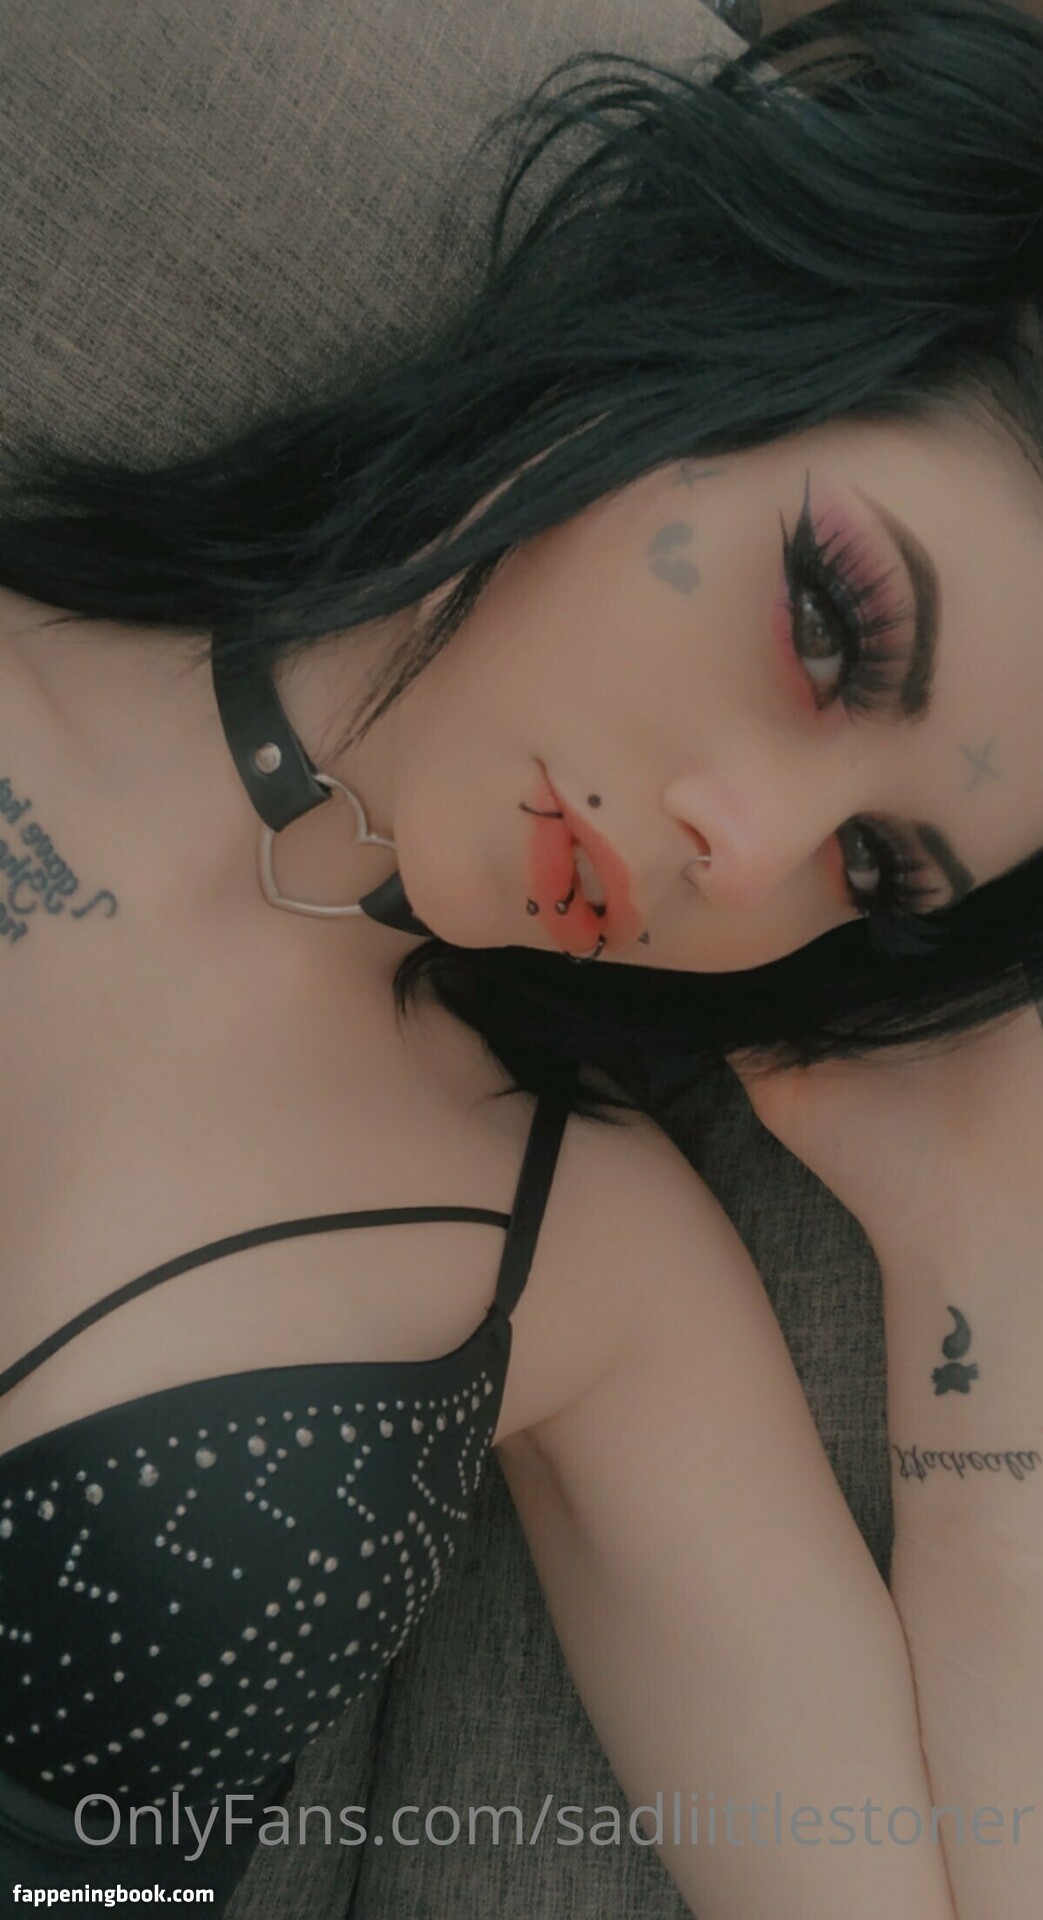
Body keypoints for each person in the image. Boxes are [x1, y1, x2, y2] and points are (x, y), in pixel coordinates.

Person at [0, 1, 1041, 1912]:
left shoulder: (585, 1267)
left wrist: (985, 1259)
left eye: (878, 868)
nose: (751, 857)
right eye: (827, 627)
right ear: (687, 349)